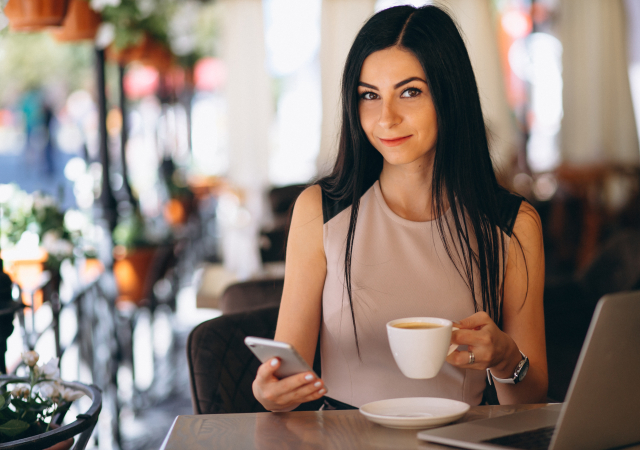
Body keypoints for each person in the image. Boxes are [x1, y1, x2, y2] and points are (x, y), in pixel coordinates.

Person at [253, 4, 547, 411]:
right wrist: (270, 393)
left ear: (450, 95)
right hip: (345, 442)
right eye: (369, 96)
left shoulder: (513, 224)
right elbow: (284, 377)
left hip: (461, 441)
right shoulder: (318, 210)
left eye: (410, 91)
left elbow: (530, 400)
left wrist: (506, 360)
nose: (386, 118)